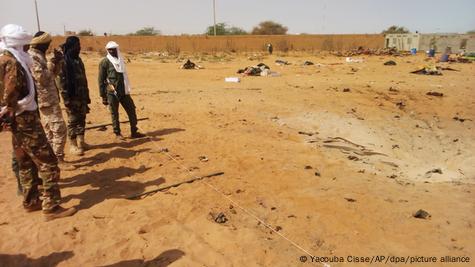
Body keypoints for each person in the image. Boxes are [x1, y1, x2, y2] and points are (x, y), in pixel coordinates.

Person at [0, 24, 76, 220]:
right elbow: (11, 92)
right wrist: (8, 107)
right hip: (24, 118)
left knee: (25, 160)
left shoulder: (5, 60)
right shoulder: (12, 63)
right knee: (48, 162)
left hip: (16, 118)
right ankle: (51, 207)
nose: (28, 49)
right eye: (25, 45)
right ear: (18, 44)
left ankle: (31, 200)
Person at [28, 31, 67, 161]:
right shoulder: (33, 57)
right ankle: (58, 158)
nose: (49, 46)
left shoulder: (40, 55)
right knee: (60, 130)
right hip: (45, 101)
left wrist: (58, 62)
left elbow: (52, 76)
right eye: (47, 43)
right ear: (41, 43)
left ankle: (52, 159)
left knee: (50, 131)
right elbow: (42, 78)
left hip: (49, 99)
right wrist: (51, 64)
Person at [98, 41, 145, 140]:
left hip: (124, 91)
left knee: (131, 110)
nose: (111, 51)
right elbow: (101, 80)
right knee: (114, 113)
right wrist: (103, 96)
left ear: (117, 49)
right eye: (109, 49)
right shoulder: (104, 62)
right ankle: (117, 133)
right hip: (112, 92)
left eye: (113, 49)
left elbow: (124, 76)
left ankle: (134, 131)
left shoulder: (121, 60)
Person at [56, 36, 91, 155]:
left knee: (82, 118)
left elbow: (84, 79)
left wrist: (87, 95)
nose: (79, 47)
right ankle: (73, 145)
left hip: (81, 95)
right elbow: (62, 83)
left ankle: (81, 142)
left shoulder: (78, 60)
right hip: (72, 97)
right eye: (77, 45)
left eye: (79, 45)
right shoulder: (64, 61)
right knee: (72, 120)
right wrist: (66, 100)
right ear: (71, 46)